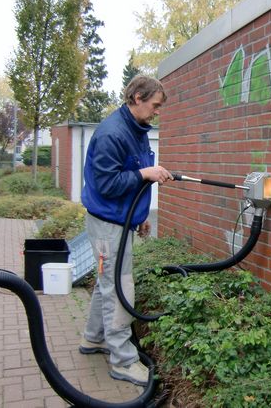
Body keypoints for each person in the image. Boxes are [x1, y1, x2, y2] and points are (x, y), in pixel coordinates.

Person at [79, 75, 173, 387]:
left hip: (121, 220)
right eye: (154, 105)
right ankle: (122, 361)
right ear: (136, 97)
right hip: (108, 225)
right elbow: (107, 184)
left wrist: (137, 217)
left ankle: (93, 338)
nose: (157, 111)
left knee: (107, 283)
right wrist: (144, 173)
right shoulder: (112, 133)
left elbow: (127, 178)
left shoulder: (136, 130)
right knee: (119, 288)